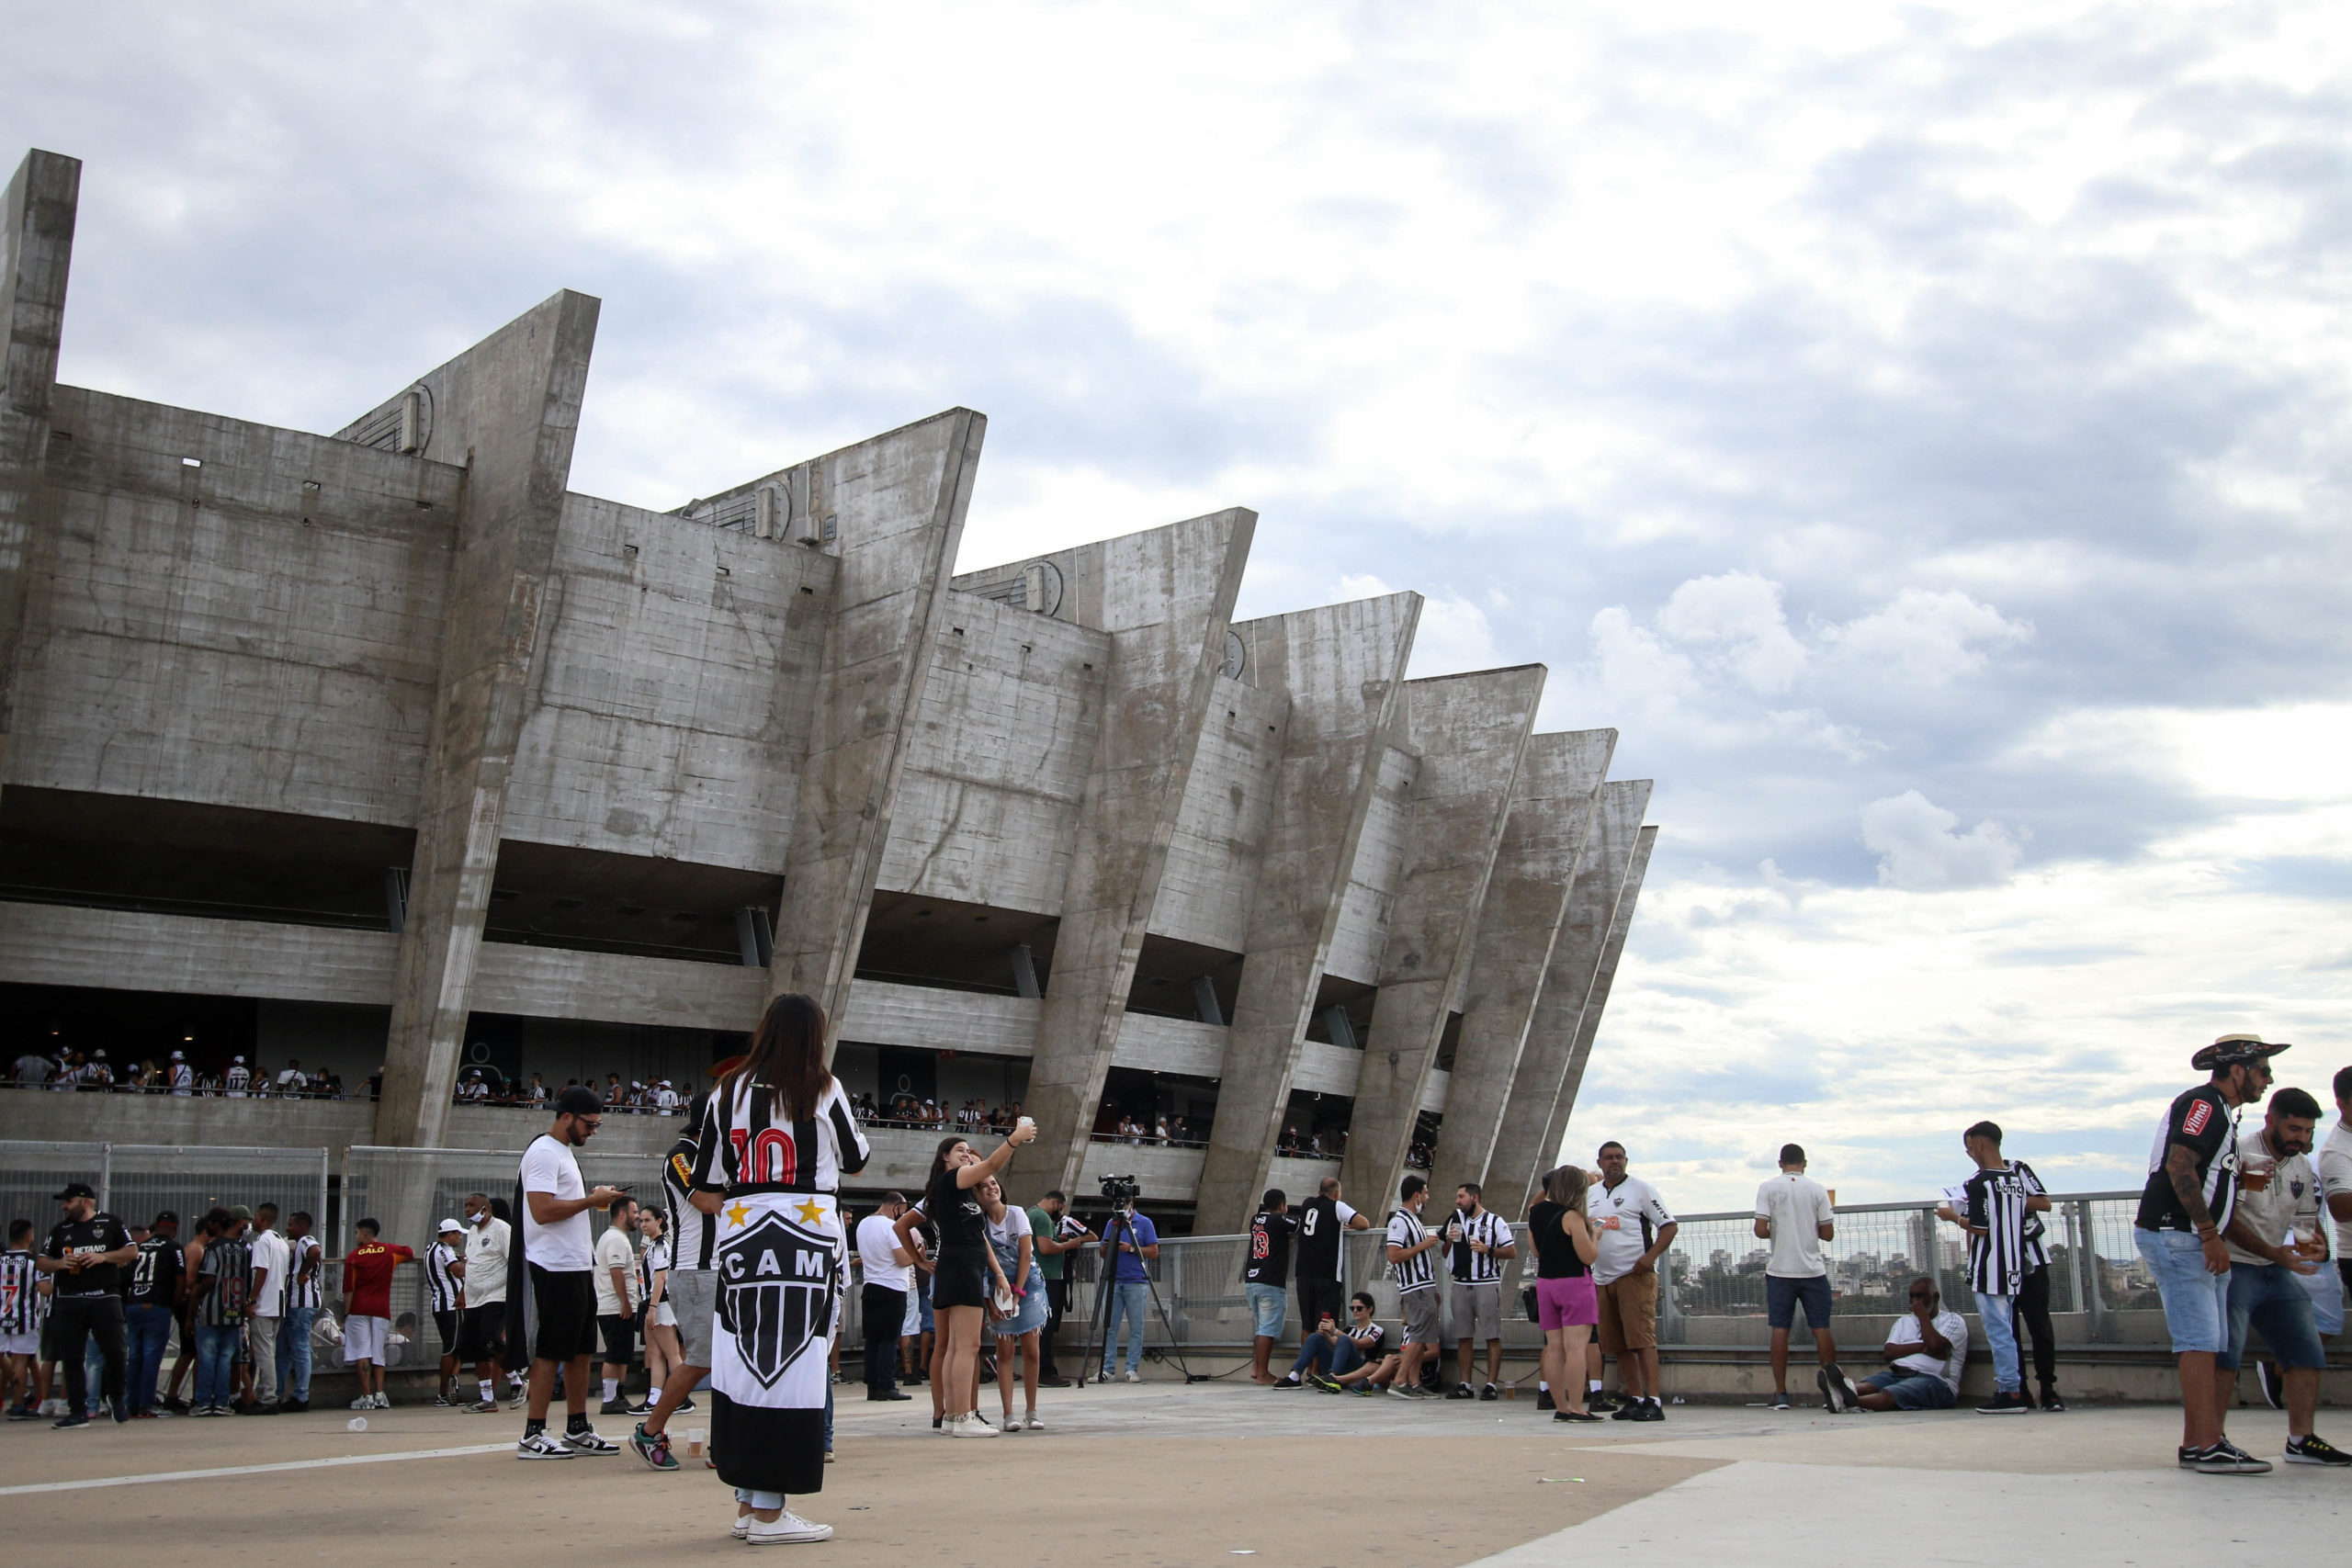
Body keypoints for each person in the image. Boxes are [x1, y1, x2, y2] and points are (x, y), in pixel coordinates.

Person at [680, 993, 875, 1542]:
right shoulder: (821, 1086)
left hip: (742, 1235)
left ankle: (746, 1501)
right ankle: (770, 1511)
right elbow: (857, 1158)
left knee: (741, 1362)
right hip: (806, 1231)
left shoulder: (728, 1090)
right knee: (795, 1365)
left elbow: (704, 1179)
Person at [2134, 1032, 2282, 1475]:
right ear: (2237, 1070)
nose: (2268, 1079)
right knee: (2199, 1343)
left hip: (2192, 1238)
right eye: (2262, 1070)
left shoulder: (2221, 1114)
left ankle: (2198, 1442)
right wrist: (2207, 1231)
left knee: (2211, 1342)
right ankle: (2206, 1444)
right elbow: (2180, 1165)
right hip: (2180, 1236)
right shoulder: (2204, 1105)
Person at [2215, 1086, 2347, 1465]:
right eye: (2294, 1130)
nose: (2301, 1140)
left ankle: (2301, 1440)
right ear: (2270, 1119)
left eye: (2308, 1132)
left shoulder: (2301, 1164)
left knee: (2306, 1348)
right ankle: (2213, 1438)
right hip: (2237, 1265)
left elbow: (2305, 1220)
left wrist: (2318, 1247)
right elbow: (2227, 1220)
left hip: (2276, 1266)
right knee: (2225, 1353)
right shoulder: (2240, 1153)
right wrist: (2276, 1254)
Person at [512, 1085, 628, 1460]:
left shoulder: (560, 1152)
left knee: (580, 1349)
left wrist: (592, 1199)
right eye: (589, 1125)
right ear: (567, 1117)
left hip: (576, 1263)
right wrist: (591, 1201)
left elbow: (561, 1205)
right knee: (552, 1347)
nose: (592, 1132)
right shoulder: (543, 1153)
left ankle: (577, 1426)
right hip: (554, 1264)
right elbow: (542, 1211)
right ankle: (533, 1432)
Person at [629, 1108, 715, 1470]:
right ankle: (650, 1430)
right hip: (695, 1270)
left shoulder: (714, 1156)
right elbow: (708, 1202)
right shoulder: (682, 1155)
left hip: (717, 1269)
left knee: (725, 1362)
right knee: (702, 1359)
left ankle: (725, 1442)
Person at [1588, 1144, 1673, 1419]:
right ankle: (1634, 1397)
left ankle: (1654, 1400)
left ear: (1626, 1160)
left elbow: (1668, 1225)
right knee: (1617, 1343)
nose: (1615, 1162)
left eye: (1619, 1157)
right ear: (1599, 1162)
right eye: (1609, 1158)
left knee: (1641, 1339)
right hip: (1602, 1278)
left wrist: (1650, 1257)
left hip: (1634, 1276)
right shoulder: (1591, 1194)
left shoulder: (1641, 1189)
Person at [1755, 1143, 1841, 1410]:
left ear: (1780, 1163)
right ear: (1804, 1163)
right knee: (1821, 1328)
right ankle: (1833, 1392)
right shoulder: (1817, 1189)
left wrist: (1779, 1231)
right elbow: (1827, 1234)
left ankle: (1781, 1392)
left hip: (1780, 1269)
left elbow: (1760, 1230)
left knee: (1780, 1329)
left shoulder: (1768, 1187)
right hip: (1813, 1270)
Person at [1824, 1277, 1968, 1412]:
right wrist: (1921, 1347)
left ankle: (1845, 1402)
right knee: (1872, 1384)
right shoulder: (1904, 1321)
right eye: (1911, 1296)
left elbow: (1935, 1346)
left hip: (1935, 1380)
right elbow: (1889, 1352)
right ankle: (1843, 1390)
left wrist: (1923, 1315)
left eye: (1920, 1296)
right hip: (1899, 1373)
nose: (1915, 1302)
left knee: (1893, 1392)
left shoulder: (1953, 1320)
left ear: (1935, 1297)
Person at [1528, 1165, 1601, 1421]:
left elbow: (1537, 1251)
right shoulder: (1572, 1216)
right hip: (1574, 1283)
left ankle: (1560, 1406)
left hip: (1546, 1284)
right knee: (1576, 1348)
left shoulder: (1535, 1213)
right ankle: (1578, 1407)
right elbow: (1587, 1255)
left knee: (1555, 1348)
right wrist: (1596, 1236)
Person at [979, 1174, 1047, 1430]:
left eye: (994, 1183)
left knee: (1032, 1349)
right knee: (1005, 1352)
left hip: (1027, 1282)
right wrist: (992, 1303)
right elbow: (985, 1263)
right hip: (998, 1285)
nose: (991, 1189)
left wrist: (1017, 1293)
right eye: (984, 1186)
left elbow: (1026, 1254)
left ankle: (1032, 1410)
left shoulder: (1017, 1213)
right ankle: (1009, 1414)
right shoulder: (981, 1224)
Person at [1442, 1181, 1516, 1402]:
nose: (1457, 1201)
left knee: (1492, 1336)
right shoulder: (1455, 1219)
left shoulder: (1495, 1221)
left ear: (1474, 1198)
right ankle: (1465, 1384)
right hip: (1461, 1283)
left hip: (1486, 1283)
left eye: (1461, 1196)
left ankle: (1491, 1384)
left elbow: (1511, 1252)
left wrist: (1488, 1250)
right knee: (1463, 1336)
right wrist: (1449, 1240)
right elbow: (1445, 1253)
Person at [340, 1217, 414, 1410]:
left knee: (361, 1352)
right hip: (381, 1310)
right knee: (378, 1352)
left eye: (357, 1233)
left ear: (365, 1234)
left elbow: (348, 1288)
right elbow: (409, 1252)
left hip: (358, 1309)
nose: (356, 1237)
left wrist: (346, 1313)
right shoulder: (389, 1251)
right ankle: (381, 1394)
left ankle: (367, 1396)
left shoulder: (354, 1256)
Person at [1383, 1175, 1443, 1399]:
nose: (1427, 1198)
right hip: (1415, 1286)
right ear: (1417, 1195)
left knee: (1423, 1332)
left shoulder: (1414, 1219)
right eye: (1425, 1193)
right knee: (1418, 1334)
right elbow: (1394, 1255)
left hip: (1424, 1285)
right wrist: (1424, 1245)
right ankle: (1400, 1380)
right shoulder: (1399, 1221)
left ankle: (1414, 1381)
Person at [1293, 1176, 1372, 1347]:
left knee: (1307, 1325)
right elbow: (1363, 1223)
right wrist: (1347, 1226)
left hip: (1304, 1274)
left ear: (1319, 1191)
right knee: (1324, 1326)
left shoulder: (1307, 1204)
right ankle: (1319, 1368)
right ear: (1337, 1193)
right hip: (1326, 1275)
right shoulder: (1337, 1206)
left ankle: (1308, 1368)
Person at [191, 1205, 254, 1417]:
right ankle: (222, 1401)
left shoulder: (213, 1248)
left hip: (212, 1310)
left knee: (208, 1358)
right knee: (226, 1358)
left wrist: (196, 1296)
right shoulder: (244, 1249)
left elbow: (208, 1278)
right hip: (234, 1311)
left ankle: (202, 1402)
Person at [855, 1192, 915, 1402]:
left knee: (872, 1339)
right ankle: (887, 1385)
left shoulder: (863, 1224)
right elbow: (902, 1260)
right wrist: (917, 1251)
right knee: (889, 1339)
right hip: (892, 1287)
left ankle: (872, 1386)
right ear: (896, 1207)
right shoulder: (890, 1227)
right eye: (903, 1211)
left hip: (871, 1284)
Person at [123, 1209, 183, 1418]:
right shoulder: (174, 1248)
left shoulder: (139, 1247)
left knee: (135, 1355)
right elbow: (180, 1280)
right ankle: (146, 1404)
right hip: (157, 1305)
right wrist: (172, 1305)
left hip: (134, 1304)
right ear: (174, 1229)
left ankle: (131, 1403)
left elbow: (127, 1275)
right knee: (151, 1356)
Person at [1097, 1184, 1159, 1384]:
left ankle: (1132, 1368)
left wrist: (1132, 1248)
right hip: (1115, 1280)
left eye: (1124, 1205)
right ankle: (1107, 1368)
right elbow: (1102, 1252)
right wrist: (1110, 1245)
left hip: (1136, 1281)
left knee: (1136, 1327)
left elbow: (1154, 1251)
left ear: (1131, 1204)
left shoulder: (1145, 1223)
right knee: (1110, 1326)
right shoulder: (1112, 1223)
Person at [458, 1193, 512, 1413]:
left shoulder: (501, 1229)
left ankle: (517, 1375)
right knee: (474, 1346)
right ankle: (487, 1397)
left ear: (486, 1208)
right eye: (466, 1205)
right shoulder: (472, 1232)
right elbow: (472, 1264)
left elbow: (515, 1261)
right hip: (473, 1298)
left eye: (472, 1205)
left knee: (491, 1339)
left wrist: (514, 1293)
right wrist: (463, 1292)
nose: (467, 1209)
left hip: (496, 1295)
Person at [1027, 1189, 1085, 1386]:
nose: (1059, 1212)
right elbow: (1045, 1247)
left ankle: (1038, 1370)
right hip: (1048, 1278)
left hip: (1038, 1276)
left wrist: (1057, 1241)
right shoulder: (1042, 1217)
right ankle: (1045, 1372)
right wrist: (1070, 1245)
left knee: (1039, 1327)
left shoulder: (1031, 1213)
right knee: (1047, 1327)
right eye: (1060, 1208)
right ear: (1056, 1203)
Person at [594, 1197, 642, 1416]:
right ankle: (610, 1397)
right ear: (621, 1214)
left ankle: (618, 1394)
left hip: (619, 1306)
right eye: (634, 1212)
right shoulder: (615, 1239)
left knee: (622, 1353)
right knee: (615, 1353)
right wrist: (624, 1301)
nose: (638, 1216)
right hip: (614, 1307)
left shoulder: (617, 1237)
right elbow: (616, 1272)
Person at [1244, 1189, 1296, 1385]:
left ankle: (1256, 1368)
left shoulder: (1255, 1219)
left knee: (1260, 1327)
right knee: (1268, 1328)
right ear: (1282, 1205)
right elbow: (1299, 1226)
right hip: (1270, 1281)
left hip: (1252, 1279)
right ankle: (1263, 1374)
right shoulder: (1278, 1219)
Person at [4, 1219, 51, 1418]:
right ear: (29, 1237)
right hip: (24, 1318)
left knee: (6, 1359)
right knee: (21, 1360)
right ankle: (17, 1405)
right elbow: (45, 1290)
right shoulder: (35, 1262)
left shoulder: (1, 1260)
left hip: (1, 1315)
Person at [245, 1202, 289, 1414]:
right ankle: (266, 1393)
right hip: (278, 1303)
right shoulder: (280, 1241)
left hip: (264, 1304)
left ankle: (269, 1398)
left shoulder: (262, 1241)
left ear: (262, 1218)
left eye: (255, 1216)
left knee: (263, 1353)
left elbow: (261, 1271)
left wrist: (252, 1299)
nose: (253, 1220)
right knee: (268, 1351)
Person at [279, 1210, 322, 1413]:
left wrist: (303, 1272)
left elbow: (315, 1251)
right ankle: (281, 1393)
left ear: (301, 1226)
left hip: (302, 1303)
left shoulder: (306, 1240)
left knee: (299, 1347)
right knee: (286, 1349)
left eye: (290, 1224)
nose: (288, 1228)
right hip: (295, 1304)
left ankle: (301, 1396)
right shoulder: (298, 1244)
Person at [639, 1207, 678, 1414]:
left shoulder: (660, 1246)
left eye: (647, 1220)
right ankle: (655, 1396)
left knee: (671, 1352)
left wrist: (653, 1307)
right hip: (651, 1302)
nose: (643, 1224)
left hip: (660, 1302)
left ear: (659, 1221)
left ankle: (681, 1395)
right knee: (654, 1352)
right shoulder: (653, 1245)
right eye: (641, 1221)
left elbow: (661, 1278)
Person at [426, 1218, 466, 1405]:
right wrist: (474, 1264)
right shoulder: (444, 1250)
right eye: (458, 1234)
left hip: (440, 1305)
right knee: (451, 1349)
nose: (460, 1238)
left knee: (459, 1346)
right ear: (450, 1235)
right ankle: (443, 1393)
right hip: (452, 1304)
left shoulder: (431, 1249)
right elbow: (457, 1271)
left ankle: (452, 1381)